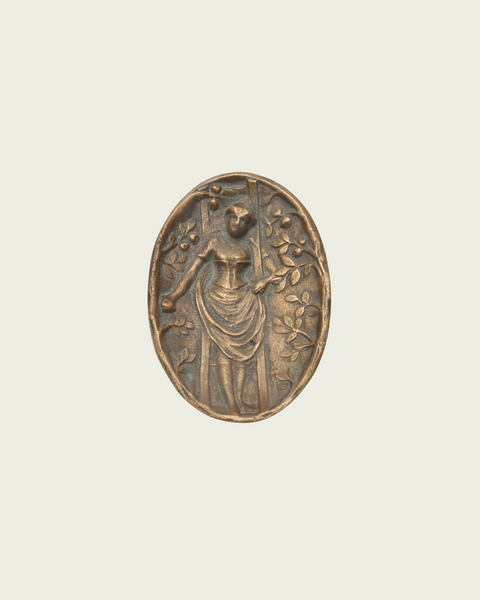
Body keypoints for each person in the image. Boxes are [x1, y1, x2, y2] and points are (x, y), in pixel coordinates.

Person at [161, 204, 271, 415]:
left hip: (243, 300)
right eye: (234, 218)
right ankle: (230, 403)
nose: (237, 223)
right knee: (223, 350)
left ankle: (240, 399)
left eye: (243, 220)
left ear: (248, 225)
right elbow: (192, 271)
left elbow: (277, 271)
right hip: (217, 301)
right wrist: (174, 296)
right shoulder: (214, 241)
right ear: (227, 218)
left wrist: (265, 280)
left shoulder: (251, 247)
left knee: (242, 352)